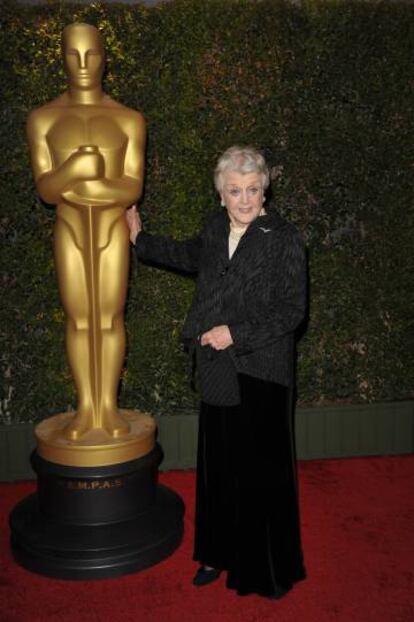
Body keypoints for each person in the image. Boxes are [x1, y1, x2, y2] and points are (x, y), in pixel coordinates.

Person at [126, 145, 307, 598]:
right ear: (221, 195)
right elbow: (190, 256)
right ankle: (216, 553)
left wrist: (236, 333)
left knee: (261, 472)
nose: (244, 199)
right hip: (216, 364)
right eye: (234, 191)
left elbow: (291, 311)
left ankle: (263, 567)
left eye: (251, 189)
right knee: (218, 467)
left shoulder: (282, 236)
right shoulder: (213, 228)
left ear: (264, 189)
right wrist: (139, 240)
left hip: (262, 370)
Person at [27, 23, 146, 441]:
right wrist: (75, 169)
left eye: (91, 54)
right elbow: (46, 188)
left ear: (104, 58)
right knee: (79, 319)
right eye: (72, 54)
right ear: (61, 57)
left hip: (111, 228)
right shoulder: (43, 119)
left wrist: (87, 185)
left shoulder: (129, 120)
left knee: (110, 317)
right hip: (70, 227)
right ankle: (85, 408)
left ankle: (108, 407)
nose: (82, 64)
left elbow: (132, 186)